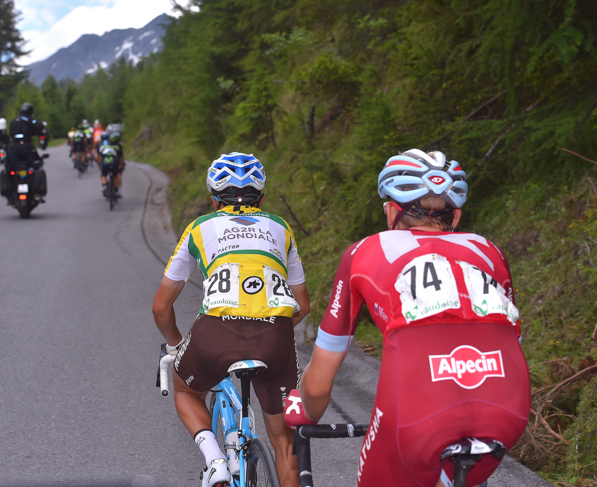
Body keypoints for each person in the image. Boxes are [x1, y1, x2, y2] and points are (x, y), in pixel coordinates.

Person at [286, 149, 531, 487]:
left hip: (418, 412)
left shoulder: (364, 251)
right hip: (507, 407)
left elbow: (318, 383)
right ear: (455, 217)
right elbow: (510, 341)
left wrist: (305, 408)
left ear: (391, 211)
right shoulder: (489, 250)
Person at [152, 152, 310, 487]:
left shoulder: (198, 228)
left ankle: (215, 462)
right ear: (262, 199)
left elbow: (161, 307)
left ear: (213, 199)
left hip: (216, 333)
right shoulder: (281, 227)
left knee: (186, 391)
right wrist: (267, 328)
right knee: (284, 440)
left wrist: (176, 344)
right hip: (275, 336)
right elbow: (303, 305)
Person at [106, 132, 125, 197]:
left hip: (106, 162)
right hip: (115, 163)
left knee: (105, 172)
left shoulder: (107, 146)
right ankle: (119, 190)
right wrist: (121, 165)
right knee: (118, 174)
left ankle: (106, 184)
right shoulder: (119, 146)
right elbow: (121, 157)